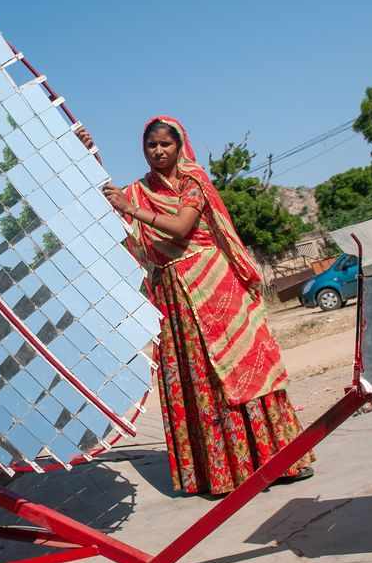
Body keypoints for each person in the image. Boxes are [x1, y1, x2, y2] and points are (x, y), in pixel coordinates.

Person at [76, 117, 314, 496]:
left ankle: (278, 460)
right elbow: (112, 201)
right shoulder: (141, 190)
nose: (158, 151)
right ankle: (220, 474)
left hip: (213, 285)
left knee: (238, 370)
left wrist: (130, 208)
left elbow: (182, 227)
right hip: (172, 293)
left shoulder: (193, 180)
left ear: (179, 145)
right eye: (150, 145)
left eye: (164, 144)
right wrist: (89, 155)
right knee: (194, 377)